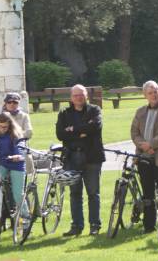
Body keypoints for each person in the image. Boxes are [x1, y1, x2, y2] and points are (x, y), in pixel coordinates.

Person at [56, 84, 105, 237]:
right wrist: (82, 131)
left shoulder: (94, 110)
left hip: (92, 157)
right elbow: (60, 134)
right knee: (75, 193)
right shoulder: (64, 113)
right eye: (76, 95)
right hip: (72, 158)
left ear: (86, 96)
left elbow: (95, 127)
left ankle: (94, 225)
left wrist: (72, 129)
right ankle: (77, 226)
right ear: (71, 97)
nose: (79, 97)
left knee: (93, 193)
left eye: (81, 94)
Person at [131, 80, 158, 233]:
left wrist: (151, 144)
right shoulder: (140, 112)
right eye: (150, 92)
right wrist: (143, 145)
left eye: (156, 91)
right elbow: (134, 132)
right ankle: (149, 226)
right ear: (145, 95)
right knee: (147, 194)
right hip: (144, 158)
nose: (154, 95)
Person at [2, 92, 34, 174]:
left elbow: (29, 132)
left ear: (18, 104)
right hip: (4, 149)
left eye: (15, 102)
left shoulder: (24, 116)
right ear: (5, 103)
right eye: (9, 102)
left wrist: (15, 136)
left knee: (26, 163)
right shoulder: (0, 117)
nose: (12, 104)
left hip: (21, 147)